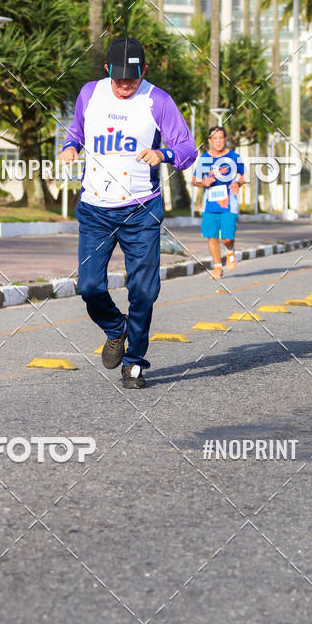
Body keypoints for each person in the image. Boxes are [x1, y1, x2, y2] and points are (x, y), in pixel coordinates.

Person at [58, 37, 196, 389]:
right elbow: (76, 128)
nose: (124, 84)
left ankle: (134, 362)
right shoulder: (90, 93)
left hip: (141, 211)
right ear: (107, 70)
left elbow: (187, 147)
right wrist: (70, 146)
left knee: (144, 291)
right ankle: (115, 328)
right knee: (89, 286)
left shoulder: (157, 100)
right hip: (95, 209)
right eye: (118, 77)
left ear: (143, 72)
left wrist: (163, 156)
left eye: (132, 78)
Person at [191, 126, 245, 279]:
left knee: (227, 238)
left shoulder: (234, 157)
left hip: (229, 204)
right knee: (211, 237)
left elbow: (244, 175)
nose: (218, 141)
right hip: (210, 205)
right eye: (215, 138)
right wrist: (203, 182)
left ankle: (230, 250)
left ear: (225, 139)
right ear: (210, 140)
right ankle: (217, 268)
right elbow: (195, 180)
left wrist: (238, 183)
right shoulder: (204, 159)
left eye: (221, 138)